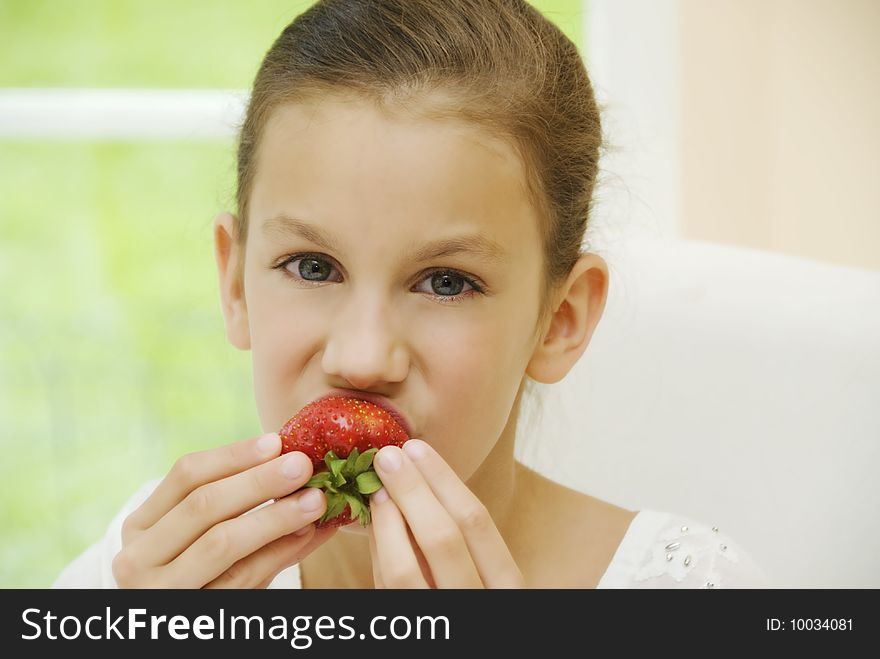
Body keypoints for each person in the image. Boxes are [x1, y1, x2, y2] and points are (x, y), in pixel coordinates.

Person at [54, 0, 767, 589]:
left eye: (446, 282)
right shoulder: (150, 571)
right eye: (311, 266)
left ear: (560, 320)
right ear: (234, 281)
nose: (363, 359)